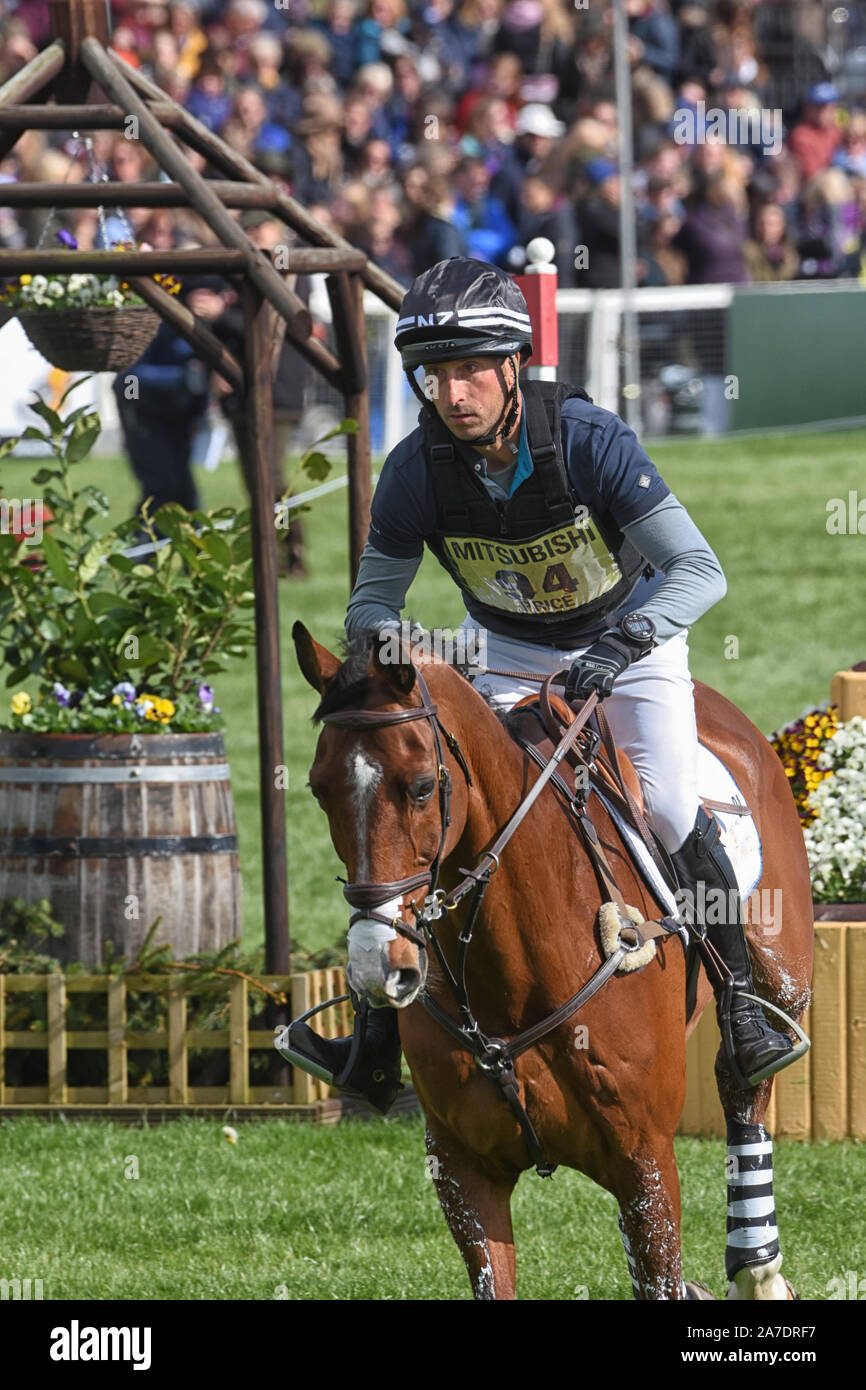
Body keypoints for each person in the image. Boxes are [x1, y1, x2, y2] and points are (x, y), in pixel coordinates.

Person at [285, 257, 798, 1110]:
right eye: (436, 374)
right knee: (440, 812)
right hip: (509, 652)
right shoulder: (415, 470)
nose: (453, 393)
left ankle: (742, 1002)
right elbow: (372, 602)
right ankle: (376, 1040)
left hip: (630, 646)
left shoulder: (590, 441)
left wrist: (628, 639)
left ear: (514, 365)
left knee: (667, 807)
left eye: (471, 369)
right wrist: (390, 652)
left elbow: (699, 571)